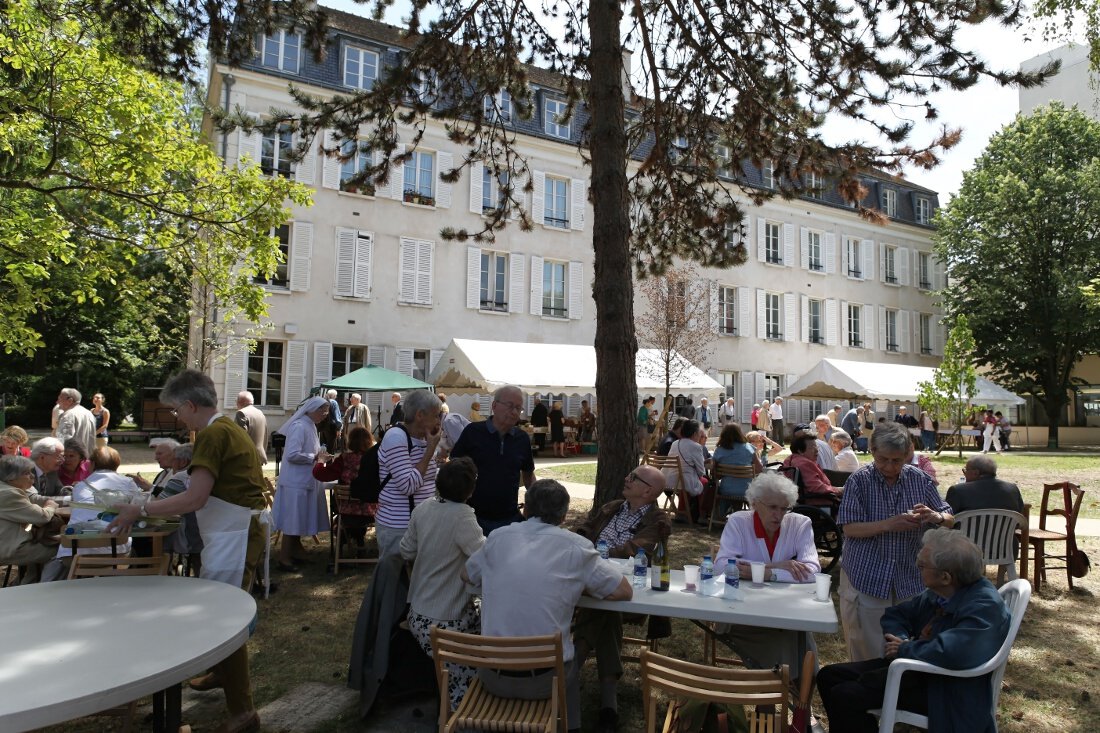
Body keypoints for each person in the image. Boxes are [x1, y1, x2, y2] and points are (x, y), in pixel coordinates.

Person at [108, 368, 267, 733]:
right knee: (223, 613)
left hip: (235, 534)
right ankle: (223, 674)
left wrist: (141, 509)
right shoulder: (226, 427)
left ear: (191, 405)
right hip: (236, 530)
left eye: (176, 411)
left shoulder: (213, 434)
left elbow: (195, 497)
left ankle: (243, 712)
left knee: (226, 618)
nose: (176, 418)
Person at [464, 479, 632, 733]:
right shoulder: (576, 547)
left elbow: (467, 575)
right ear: (564, 517)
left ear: (526, 510)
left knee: (565, 654)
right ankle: (572, 725)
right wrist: (576, 585)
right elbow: (623, 591)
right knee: (569, 657)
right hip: (545, 682)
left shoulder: (498, 538)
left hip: (492, 676)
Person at [817, 528, 1011, 733]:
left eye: (921, 565)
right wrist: (899, 640)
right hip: (920, 671)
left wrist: (906, 649)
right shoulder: (943, 591)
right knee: (829, 676)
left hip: (946, 689)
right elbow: (897, 615)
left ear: (945, 577)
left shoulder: (984, 606)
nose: (916, 568)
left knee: (845, 695)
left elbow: (953, 652)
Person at [836, 421, 954, 662]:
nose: (889, 466)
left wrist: (936, 516)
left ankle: (897, 696)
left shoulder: (920, 479)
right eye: (883, 459)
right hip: (867, 574)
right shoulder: (859, 481)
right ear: (872, 451)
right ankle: (869, 697)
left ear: (907, 454)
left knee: (905, 646)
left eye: (897, 460)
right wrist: (889, 524)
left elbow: (950, 518)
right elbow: (849, 528)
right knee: (867, 651)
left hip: (908, 575)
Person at [572, 465, 671, 733]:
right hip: (596, 581)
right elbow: (584, 528)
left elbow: (637, 550)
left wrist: (593, 554)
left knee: (606, 610)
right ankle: (608, 705)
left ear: (648, 491)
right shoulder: (613, 506)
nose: (626, 479)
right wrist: (578, 543)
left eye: (633, 478)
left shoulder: (658, 519)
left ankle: (572, 667)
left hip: (628, 588)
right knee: (607, 613)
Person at [714, 473, 820, 680]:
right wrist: (776, 567)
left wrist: (766, 573)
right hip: (741, 614)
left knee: (803, 645)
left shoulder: (800, 524)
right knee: (786, 648)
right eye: (772, 507)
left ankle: (798, 703)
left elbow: (813, 570)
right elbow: (721, 566)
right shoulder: (738, 522)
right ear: (754, 504)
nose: (779, 515)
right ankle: (775, 703)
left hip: (786, 612)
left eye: (784, 508)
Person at [400, 457, 485, 711]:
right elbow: (486, 557)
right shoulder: (463, 516)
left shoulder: (424, 508)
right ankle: (466, 710)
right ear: (470, 490)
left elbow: (406, 550)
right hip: (446, 620)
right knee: (498, 631)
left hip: (418, 613)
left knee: (483, 618)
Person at [452, 385, 536, 535]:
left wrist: (538, 505)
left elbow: (528, 475)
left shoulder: (522, 438)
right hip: (474, 518)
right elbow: (454, 469)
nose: (515, 412)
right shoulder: (473, 432)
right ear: (494, 406)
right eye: (510, 406)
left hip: (509, 518)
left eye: (519, 408)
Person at [375, 389, 441, 557]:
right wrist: (430, 451)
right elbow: (408, 485)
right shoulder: (396, 437)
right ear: (420, 415)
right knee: (396, 581)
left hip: (419, 523)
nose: (438, 420)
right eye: (435, 415)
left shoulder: (423, 439)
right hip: (398, 526)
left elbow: (426, 478)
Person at [55, 447, 143, 572]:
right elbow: (138, 508)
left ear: (93, 464)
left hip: (74, 554)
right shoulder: (128, 483)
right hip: (114, 552)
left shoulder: (80, 486)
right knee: (135, 550)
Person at [271, 397, 333, 570]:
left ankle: (296, 552)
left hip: (303, 480)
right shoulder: (299, 426)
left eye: (327, 411)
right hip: (295, 482)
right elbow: (292, 454)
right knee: (293, 520)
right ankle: (284, 559)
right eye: (323, 410)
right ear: (312, 409)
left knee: (298, 518)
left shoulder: (310, 425)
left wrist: (321, 454)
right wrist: (315, 457)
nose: (325, 414)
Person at [0, 455, 61, 584]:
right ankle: (45, 590)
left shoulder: (7, 487)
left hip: (10, 544)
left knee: (41, 550)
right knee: (63, 552)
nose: (32, 476)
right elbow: (42, 517)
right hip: (9, 548)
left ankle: (26, 583)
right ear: (12, 477)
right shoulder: (10, 494)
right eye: (27, 473)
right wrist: (51, 506)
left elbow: (34, 499)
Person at [314, 425, 375, 549]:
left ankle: (345, 540)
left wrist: (320, 461)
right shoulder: (375, 459)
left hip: (346, 511)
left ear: (350, 441)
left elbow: (320, 475)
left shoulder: (344, 459)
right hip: (371, 511)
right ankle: (359, 541)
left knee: (338, 504)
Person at [944, 455, 1025, 516]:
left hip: (965, 538)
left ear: (976, 473)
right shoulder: (1012, 489)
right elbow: (1019, 520)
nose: (964, 474)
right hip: (1005, 538)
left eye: (965, 470)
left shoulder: (958, 491)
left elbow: (947, 519)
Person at [666, 420, 711, 523]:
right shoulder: (696, 446)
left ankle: (682, 512)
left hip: (670, 479)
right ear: (695, 433)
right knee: (705, 482)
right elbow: (701, 472)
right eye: (700, 433)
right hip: (683, 481)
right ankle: (702, 515)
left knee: (686, 479)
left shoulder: (675, 443)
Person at [712, 423, 761, 514]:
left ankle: (721, 515)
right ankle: (739, 514)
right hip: (747, 489)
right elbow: (759, 469)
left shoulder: (720, 450)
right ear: (740, 433)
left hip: (726, 490)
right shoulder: (749, 448)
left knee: (721, 488)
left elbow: (714, 473)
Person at [782, 433, 842, 500]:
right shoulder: (804, 464)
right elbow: (817, 487)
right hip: (820, 503)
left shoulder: (791, 459)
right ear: (800, 451)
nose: (816, 450)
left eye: (816, 447)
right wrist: (839, 490)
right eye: (812, 448)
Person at [55, 387, 96, 458]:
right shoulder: (89, 413)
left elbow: (63, 440)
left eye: (59, 399)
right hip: (88, 458)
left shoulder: (68, 415)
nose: (57, 402)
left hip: (72, 460)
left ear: (70, 400)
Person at [234, 391, 268, 465]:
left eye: (236, 401)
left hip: (246, 458)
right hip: (260, 456)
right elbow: (265, 435)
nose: (236, 403)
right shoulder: (260, 413)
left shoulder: (241, 413)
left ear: (240, 401)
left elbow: (239, 438)